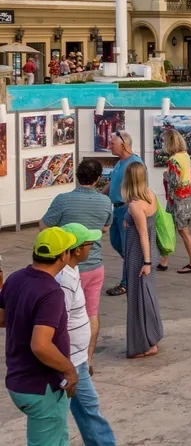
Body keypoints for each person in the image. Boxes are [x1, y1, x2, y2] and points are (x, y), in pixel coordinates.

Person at [0, 227, 78, 445]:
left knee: (59, 438)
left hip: (18, 380)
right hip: (41, 386)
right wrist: (70, 370)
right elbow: (40, 346)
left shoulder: (16, 278)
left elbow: (1, 318)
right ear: (63, 255)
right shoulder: (51, 292)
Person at [39, 158, 112, 373]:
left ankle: (63, 359)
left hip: (65, 266)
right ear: (98, 179)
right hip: (94, 264)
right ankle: (87, 360)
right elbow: (105, 227)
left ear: (77, 176)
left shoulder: (62, 200)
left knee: (61, 314)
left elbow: (44, 226)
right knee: (91, 312)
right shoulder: (105, 202)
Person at [56, 223, 117, 445]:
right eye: (90, 243)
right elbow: (56, 323)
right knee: (79, 412)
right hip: (70, 361)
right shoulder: (64, 280)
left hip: (77, 358)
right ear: (78, 250)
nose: (94, 247)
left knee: (88, 410)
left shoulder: (73, 272)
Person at [121, 161, 163, 358]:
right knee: (147, 296)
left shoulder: (135, 205)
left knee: (138, 300)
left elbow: (143, 233)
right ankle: (151, 337)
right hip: (149, 252)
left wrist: (145, 262)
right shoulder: (150, 195)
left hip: (139, 255)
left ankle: (145, 343)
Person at [105, 131, 144, 297]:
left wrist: (131, 213)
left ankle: (126, 282)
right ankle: (135, 266)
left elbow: (139, 190)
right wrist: (98, 194)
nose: (109, 146)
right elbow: (112, 183)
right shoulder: (120, 163)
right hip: (116, 209)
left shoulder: (134, 164)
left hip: (126, 210)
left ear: (124, 144)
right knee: (116, 243)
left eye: (112, 143)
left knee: (127, 247)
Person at [158, 129, 191, 273]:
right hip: (186, 197)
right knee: (171, 227)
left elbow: (174, 182)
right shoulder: (185, 156)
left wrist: (166, 175)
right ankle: (164, 261)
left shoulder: (173, 160)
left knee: (181, 230)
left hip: (177, 199)